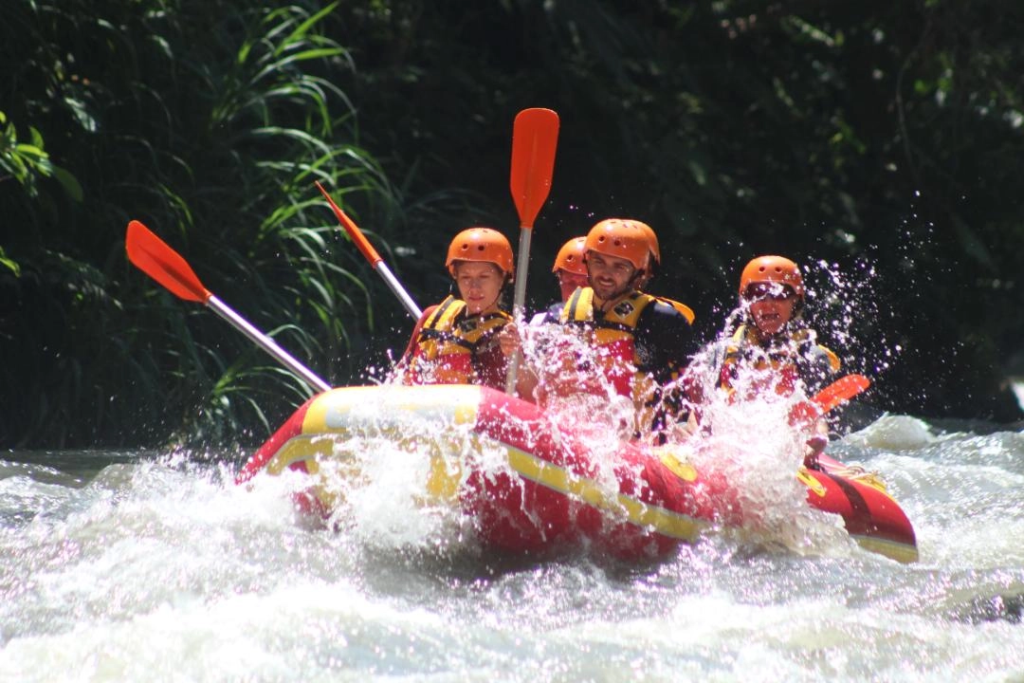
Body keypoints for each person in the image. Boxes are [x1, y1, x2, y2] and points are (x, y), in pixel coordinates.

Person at [542, 218, 697, 441]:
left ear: (640, 274)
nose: (606, 274)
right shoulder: (570, 310)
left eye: (619, 267)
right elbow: (546, 384)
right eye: (599, 262)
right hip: (581, 435)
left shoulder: (659, 320)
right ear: (587, 262)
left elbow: (697, 392)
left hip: (642, 444)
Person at [701, 255, 841, 464]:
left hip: (783, 453)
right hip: (728, 449)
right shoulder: (722, 353)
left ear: (795, 301)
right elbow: (701, 416)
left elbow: (816, 416)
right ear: (747, 303)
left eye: (779, 294)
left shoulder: (810, 357)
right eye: (757, 294)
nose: (767, 303)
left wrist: (816, 441)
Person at [396, 227, 518, 391]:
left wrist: (516, 357)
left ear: (502, 278)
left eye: (484, 277)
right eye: (466, 277)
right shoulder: (431, 316)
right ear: (456, 277)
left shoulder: (506, 336)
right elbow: (397, 378)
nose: (474, 287)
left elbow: (535, 397)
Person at [529, 236, 589, 325]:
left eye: (585, 284)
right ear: (560, 282)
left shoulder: (610, 325)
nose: (577, 292)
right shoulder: (540, 323)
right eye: (570, 283)